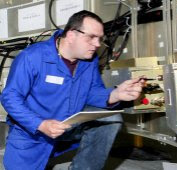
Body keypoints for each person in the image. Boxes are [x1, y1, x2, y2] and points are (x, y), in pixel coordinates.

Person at [1, 10, 145, 170]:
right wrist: (40, 124)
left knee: (111, 119)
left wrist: (116, 94)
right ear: (71, 35)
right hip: (32, 131)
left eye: (100, 39)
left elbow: (91, 92)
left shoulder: (89, 60)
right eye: (91, 37)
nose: (97, 44)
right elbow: (10, 97)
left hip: (69, 124)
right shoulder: (32, 57)